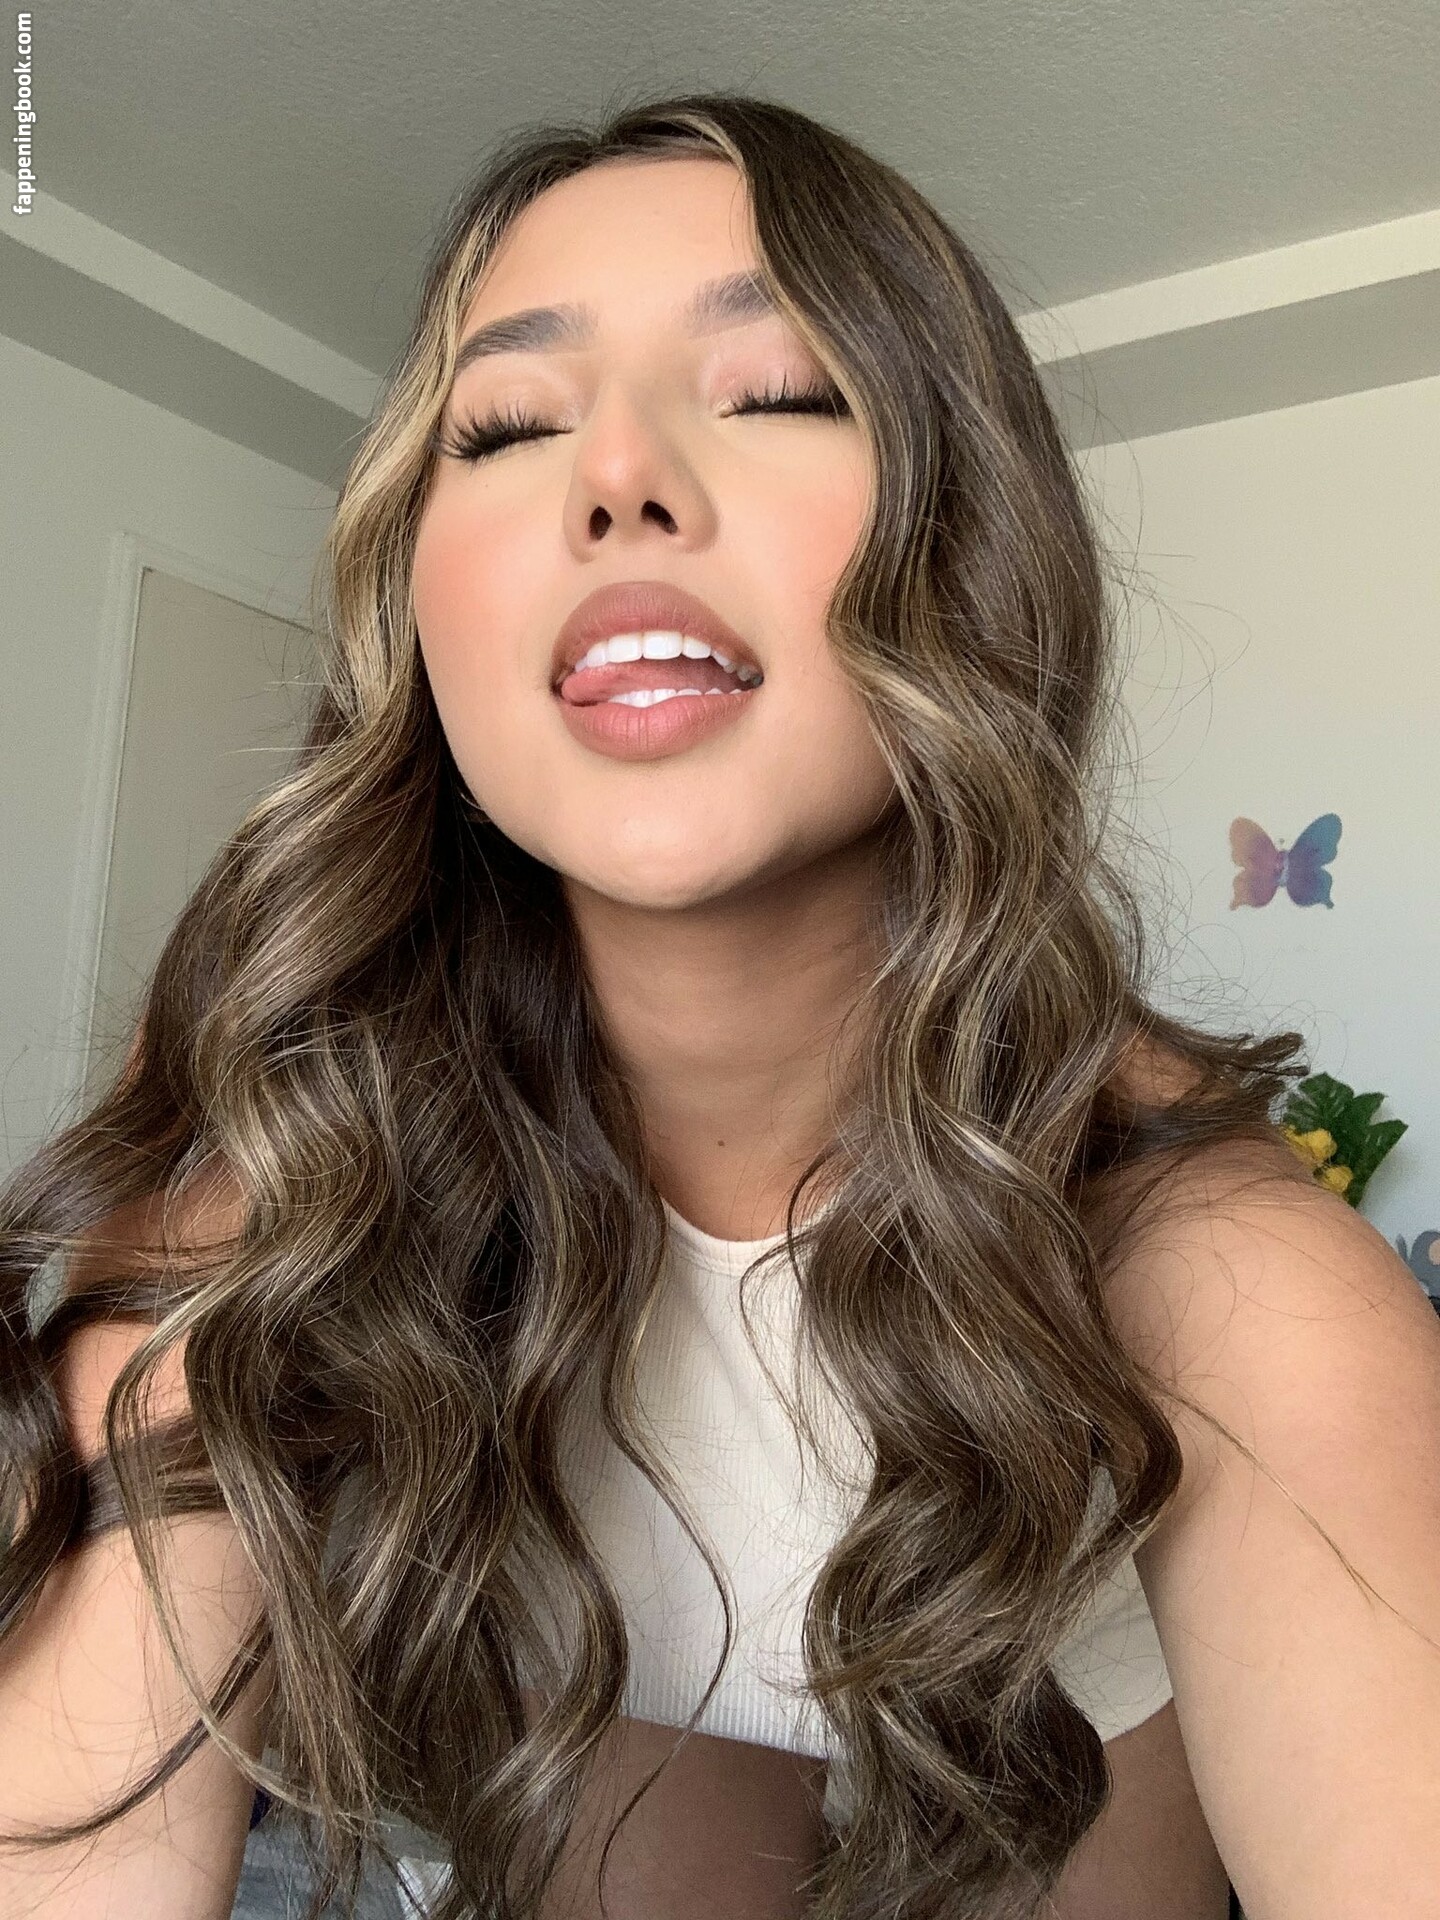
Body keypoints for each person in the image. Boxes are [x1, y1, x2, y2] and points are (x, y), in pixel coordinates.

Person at [2, 90, 1437, 1920]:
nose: (617, 476)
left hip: (1067, 1712)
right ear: (416, 607)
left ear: (971, 550)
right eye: (507, 426)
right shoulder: (285, 1134)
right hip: (626, 1698)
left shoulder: (1208, 1252)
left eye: (773, 392)